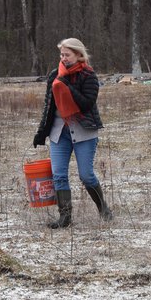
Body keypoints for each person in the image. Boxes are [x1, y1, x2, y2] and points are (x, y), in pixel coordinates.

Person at [34, 38, 112, 228]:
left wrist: (66, 86)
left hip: (84, 130)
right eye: (61, 55)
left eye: (67, 55)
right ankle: (65, 218)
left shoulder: (89, 76)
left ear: (78, 55)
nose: (64, 58)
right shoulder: (55, 75)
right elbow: (49, 107)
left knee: (86, 175)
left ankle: (103, 208)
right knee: (59, 175)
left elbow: (86, 104)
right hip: (59, 132)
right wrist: (41, 132)